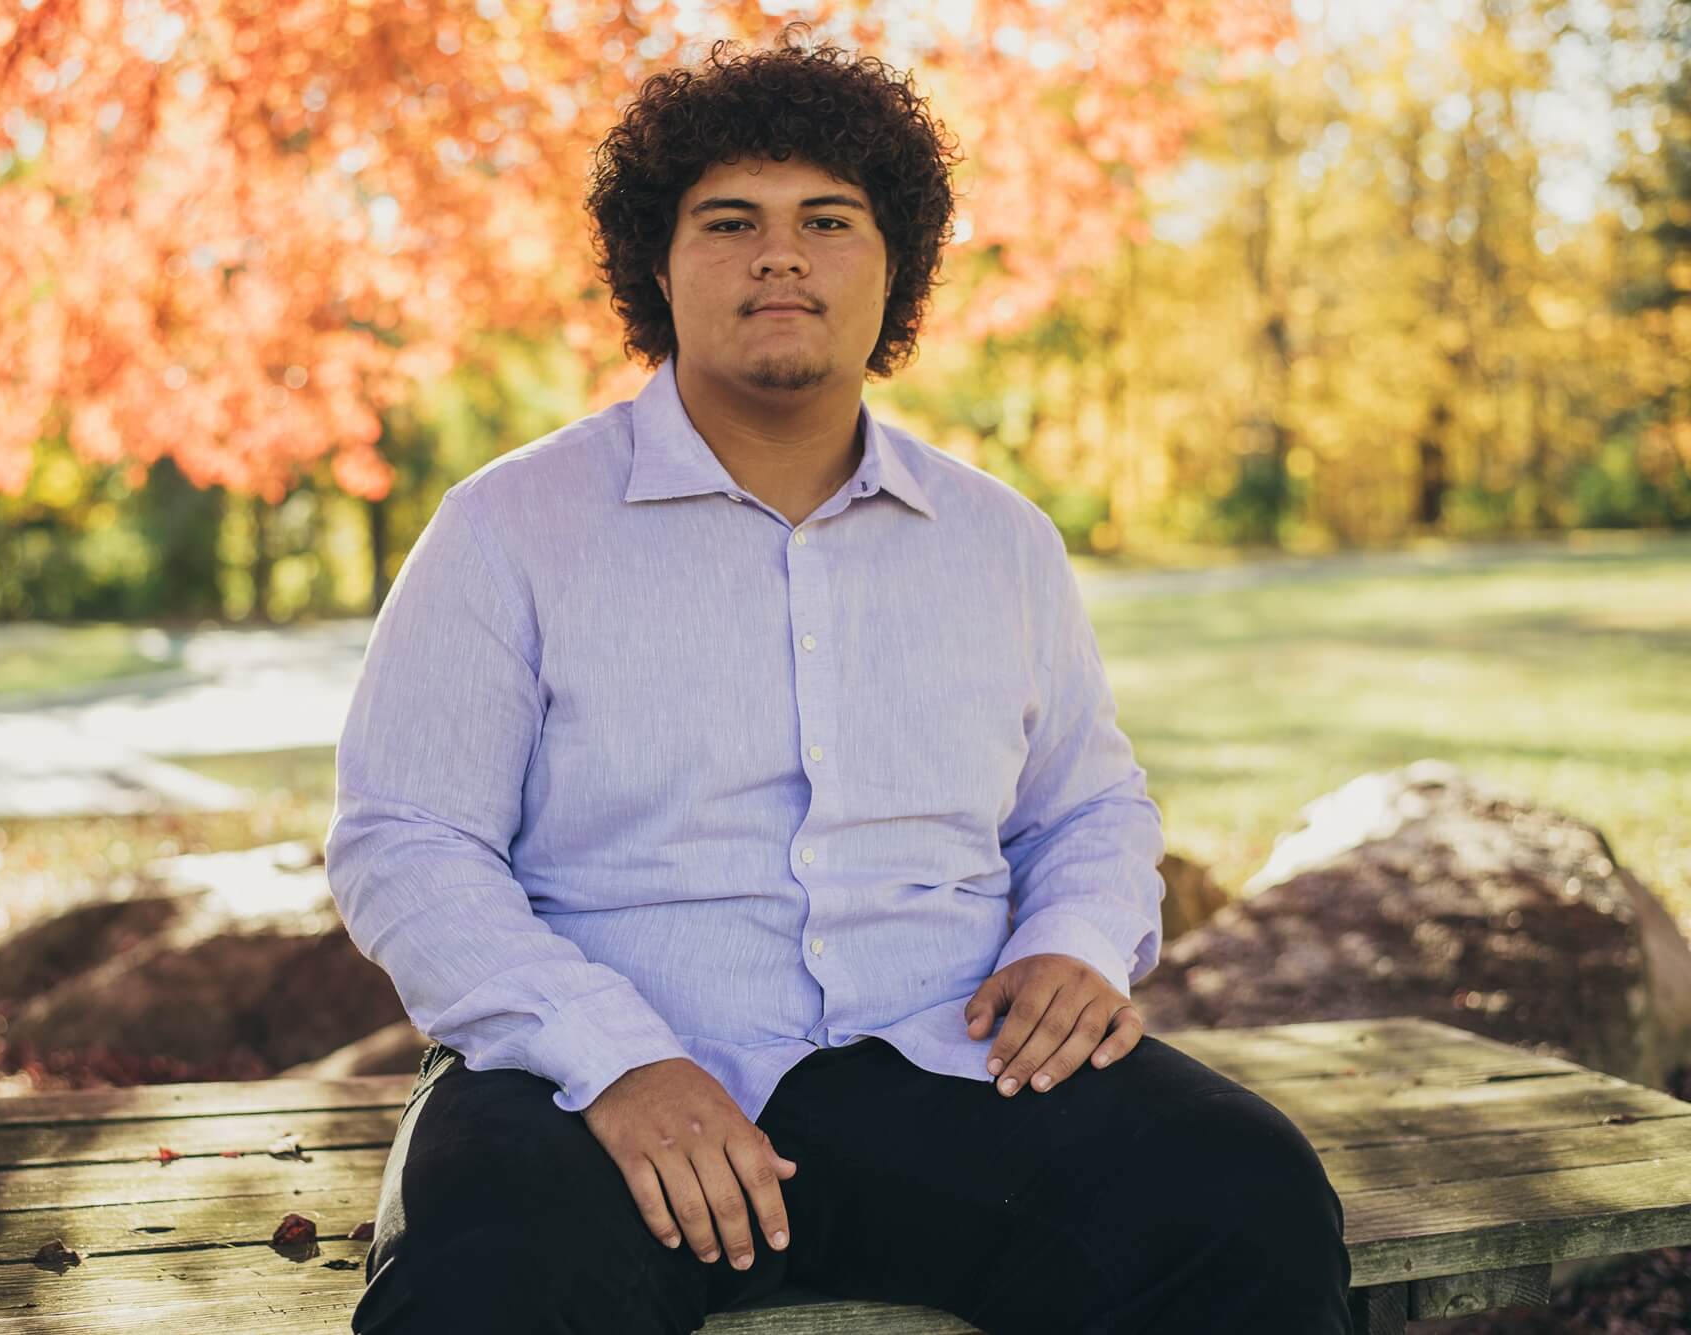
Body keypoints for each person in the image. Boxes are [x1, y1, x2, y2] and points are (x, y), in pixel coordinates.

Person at [328, 35, 1354, 1335]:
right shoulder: (510, 529)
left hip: (950, 1058)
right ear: (658, 257)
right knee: (483, 1295)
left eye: (828, 218)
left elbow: (1088, 806)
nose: (780, 255)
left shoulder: (998, 540)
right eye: (730, 221)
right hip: (587, 1081)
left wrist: (1075, 941)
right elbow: (408, 844)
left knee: (1240, 1199)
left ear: (896, 261)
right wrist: (618, 1057)